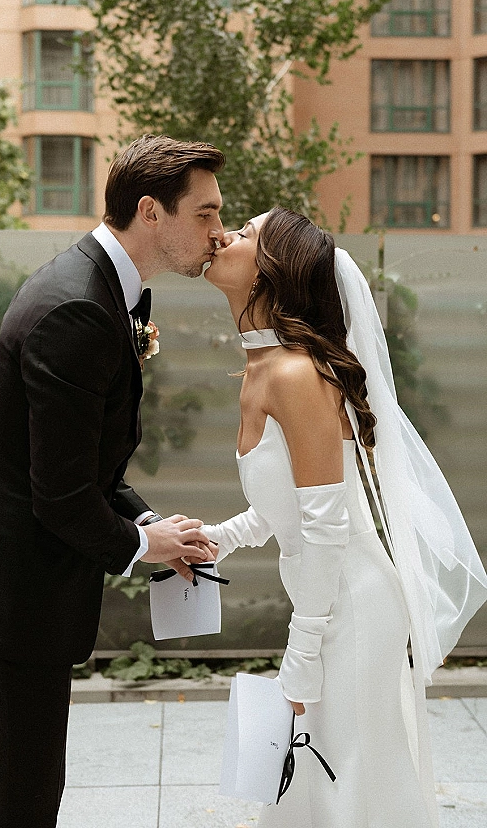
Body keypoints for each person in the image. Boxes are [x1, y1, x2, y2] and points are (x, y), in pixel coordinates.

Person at [0, 134, 225, 828]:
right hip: (0, 601)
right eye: (204, 214)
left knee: (23, 800)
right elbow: (58, 495)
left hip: (21, 593)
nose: (218, 231)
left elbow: (81, 466)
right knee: (16, 807)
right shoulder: (77, 309)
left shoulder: (108, 290)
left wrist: (148, 525)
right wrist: (143, 547)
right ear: (152, 212)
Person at [201, 207, 487, 827]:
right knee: (315, 780)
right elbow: (291, 512)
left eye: (246, 233)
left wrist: (302, 652)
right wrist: (217, 539)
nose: (224, 235)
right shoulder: (259, 368)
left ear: (273, 273)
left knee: (346, 783)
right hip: (324, 601)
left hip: (352, 611)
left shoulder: (297, 374)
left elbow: (329, 529)